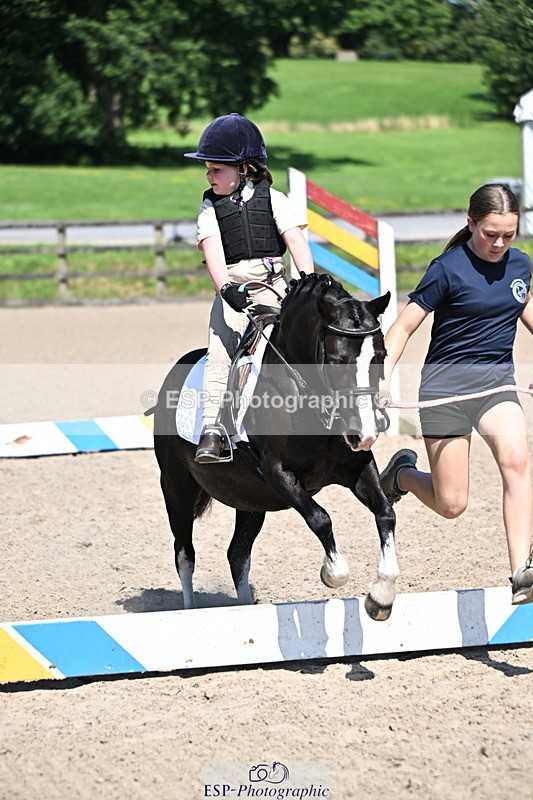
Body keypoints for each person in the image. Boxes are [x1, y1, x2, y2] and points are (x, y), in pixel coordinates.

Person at [379, 183, 533, 605]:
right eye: (490, 234)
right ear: (471, 224)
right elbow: (404, 327)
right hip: (444, 391)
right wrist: (382, 381)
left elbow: (524, 310)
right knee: (451, 504)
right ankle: (400, 476)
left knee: (517, 461)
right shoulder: (447, 268)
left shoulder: (520, 265)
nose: (500, 243)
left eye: (509, 234)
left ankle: (522, 572)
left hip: (496, 386)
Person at [184, 113, 314, 463]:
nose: (209, 176)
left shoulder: (275, 199)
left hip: (275, 286)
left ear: (243, 169)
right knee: (221, 351)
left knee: (306, 340)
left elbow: (296, 241)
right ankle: (212, 429)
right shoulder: (209, 207)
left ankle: (327, 414)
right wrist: (225, 288)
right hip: (235, 291)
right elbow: (212, 250)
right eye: (208, 170)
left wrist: (307, 280)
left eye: (216, 170)